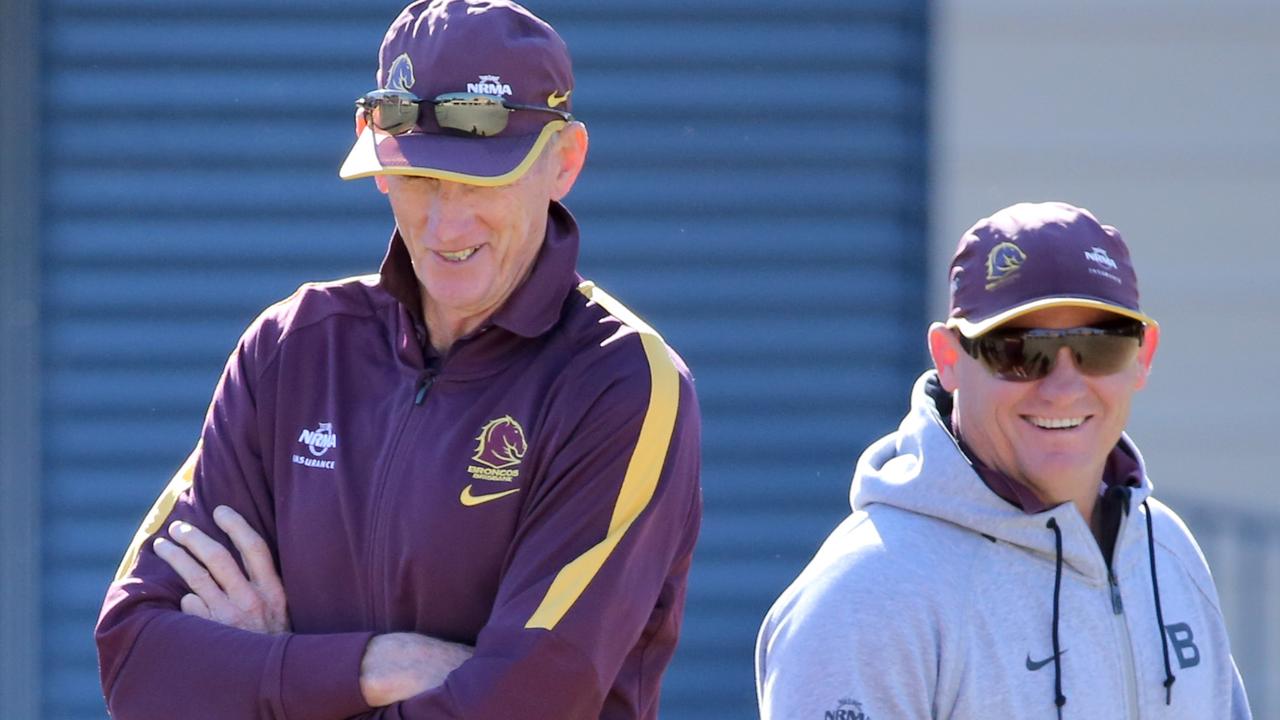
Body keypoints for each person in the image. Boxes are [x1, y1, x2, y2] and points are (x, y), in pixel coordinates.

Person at [95, 2, 702, 718]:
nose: (445, 225)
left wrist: (269, 673)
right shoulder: (291, 350)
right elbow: (136, 661)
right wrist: (378, 666)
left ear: (563, 162)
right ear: (375, 156)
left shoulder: (620, 384)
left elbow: (522, 706)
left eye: (481, 180)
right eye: (418, 178)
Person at [755, 202, 1251, 719]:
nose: (1063, 388)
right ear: (948, 359)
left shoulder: (1167, 552)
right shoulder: (867, 598)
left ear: (1142, 356)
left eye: (1099, 347)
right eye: (1018, 350)